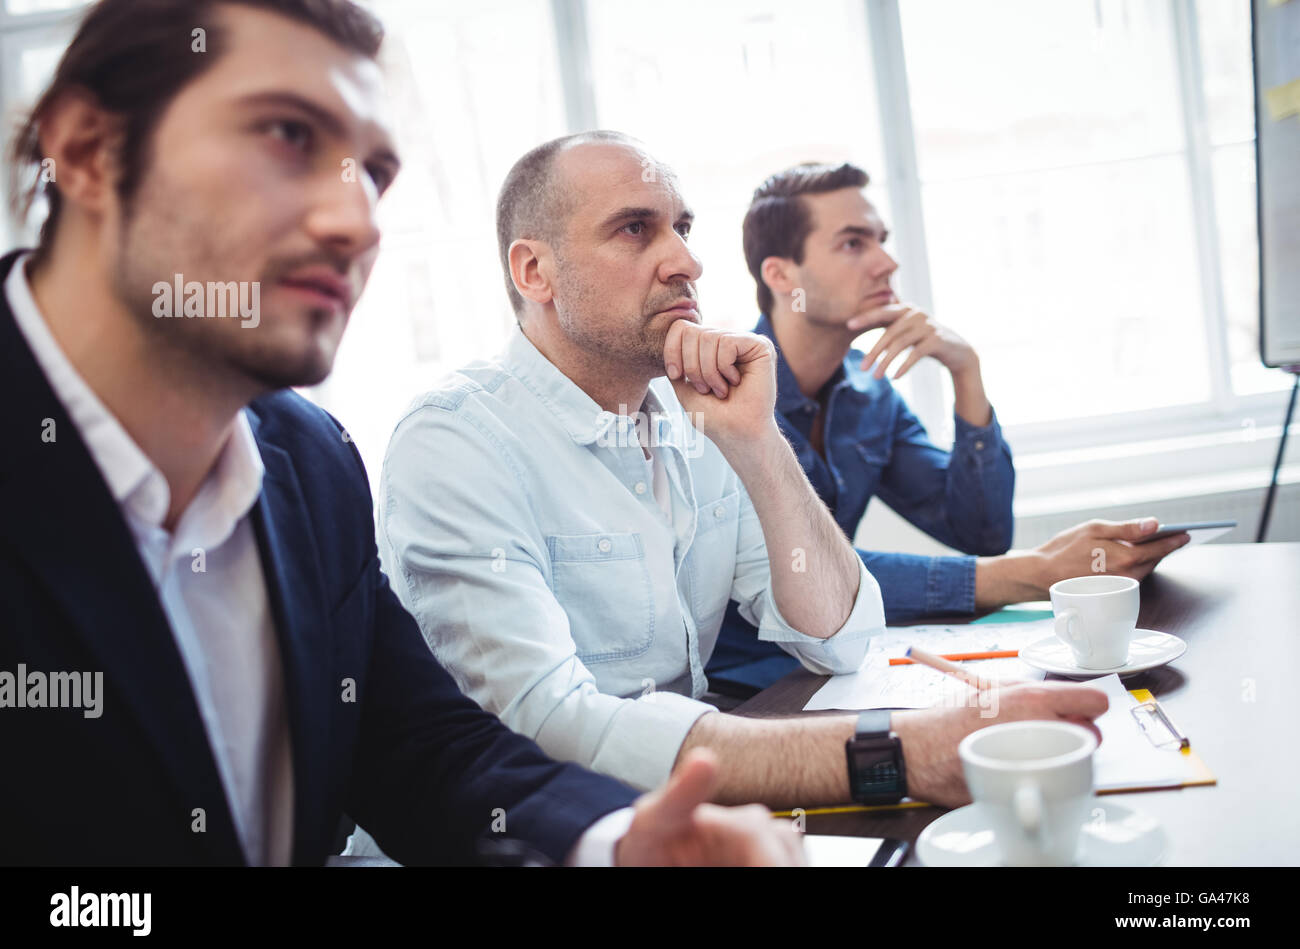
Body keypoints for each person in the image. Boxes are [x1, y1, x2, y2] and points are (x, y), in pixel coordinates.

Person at [0, 0, 807, 867]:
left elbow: (421, 751)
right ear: (86, 150)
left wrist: (614, 844)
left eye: (374, 175)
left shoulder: (309, 461)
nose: (357, 223)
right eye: (284, 135)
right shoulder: (450, 436)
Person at [367, 131, 1109, 824]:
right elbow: (545, 729)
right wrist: (898, 753)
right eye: (635, 229)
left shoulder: (696, 416)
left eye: (682, 228)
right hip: (549, 833)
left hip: (689, 810)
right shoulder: (457, 441)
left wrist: (758, 444)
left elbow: (842, 638)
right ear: (536, 272)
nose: (686, 261)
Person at [706, 162, 1191, 693]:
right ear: (781, 276)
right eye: (852, 244)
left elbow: (979, 532)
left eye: (882, 241)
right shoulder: (730, 402)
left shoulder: (869, 393)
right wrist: (1030, 571)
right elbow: (809, 568)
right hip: (749, 689)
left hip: (848, 669)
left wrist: (967, 371)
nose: (886, 263)